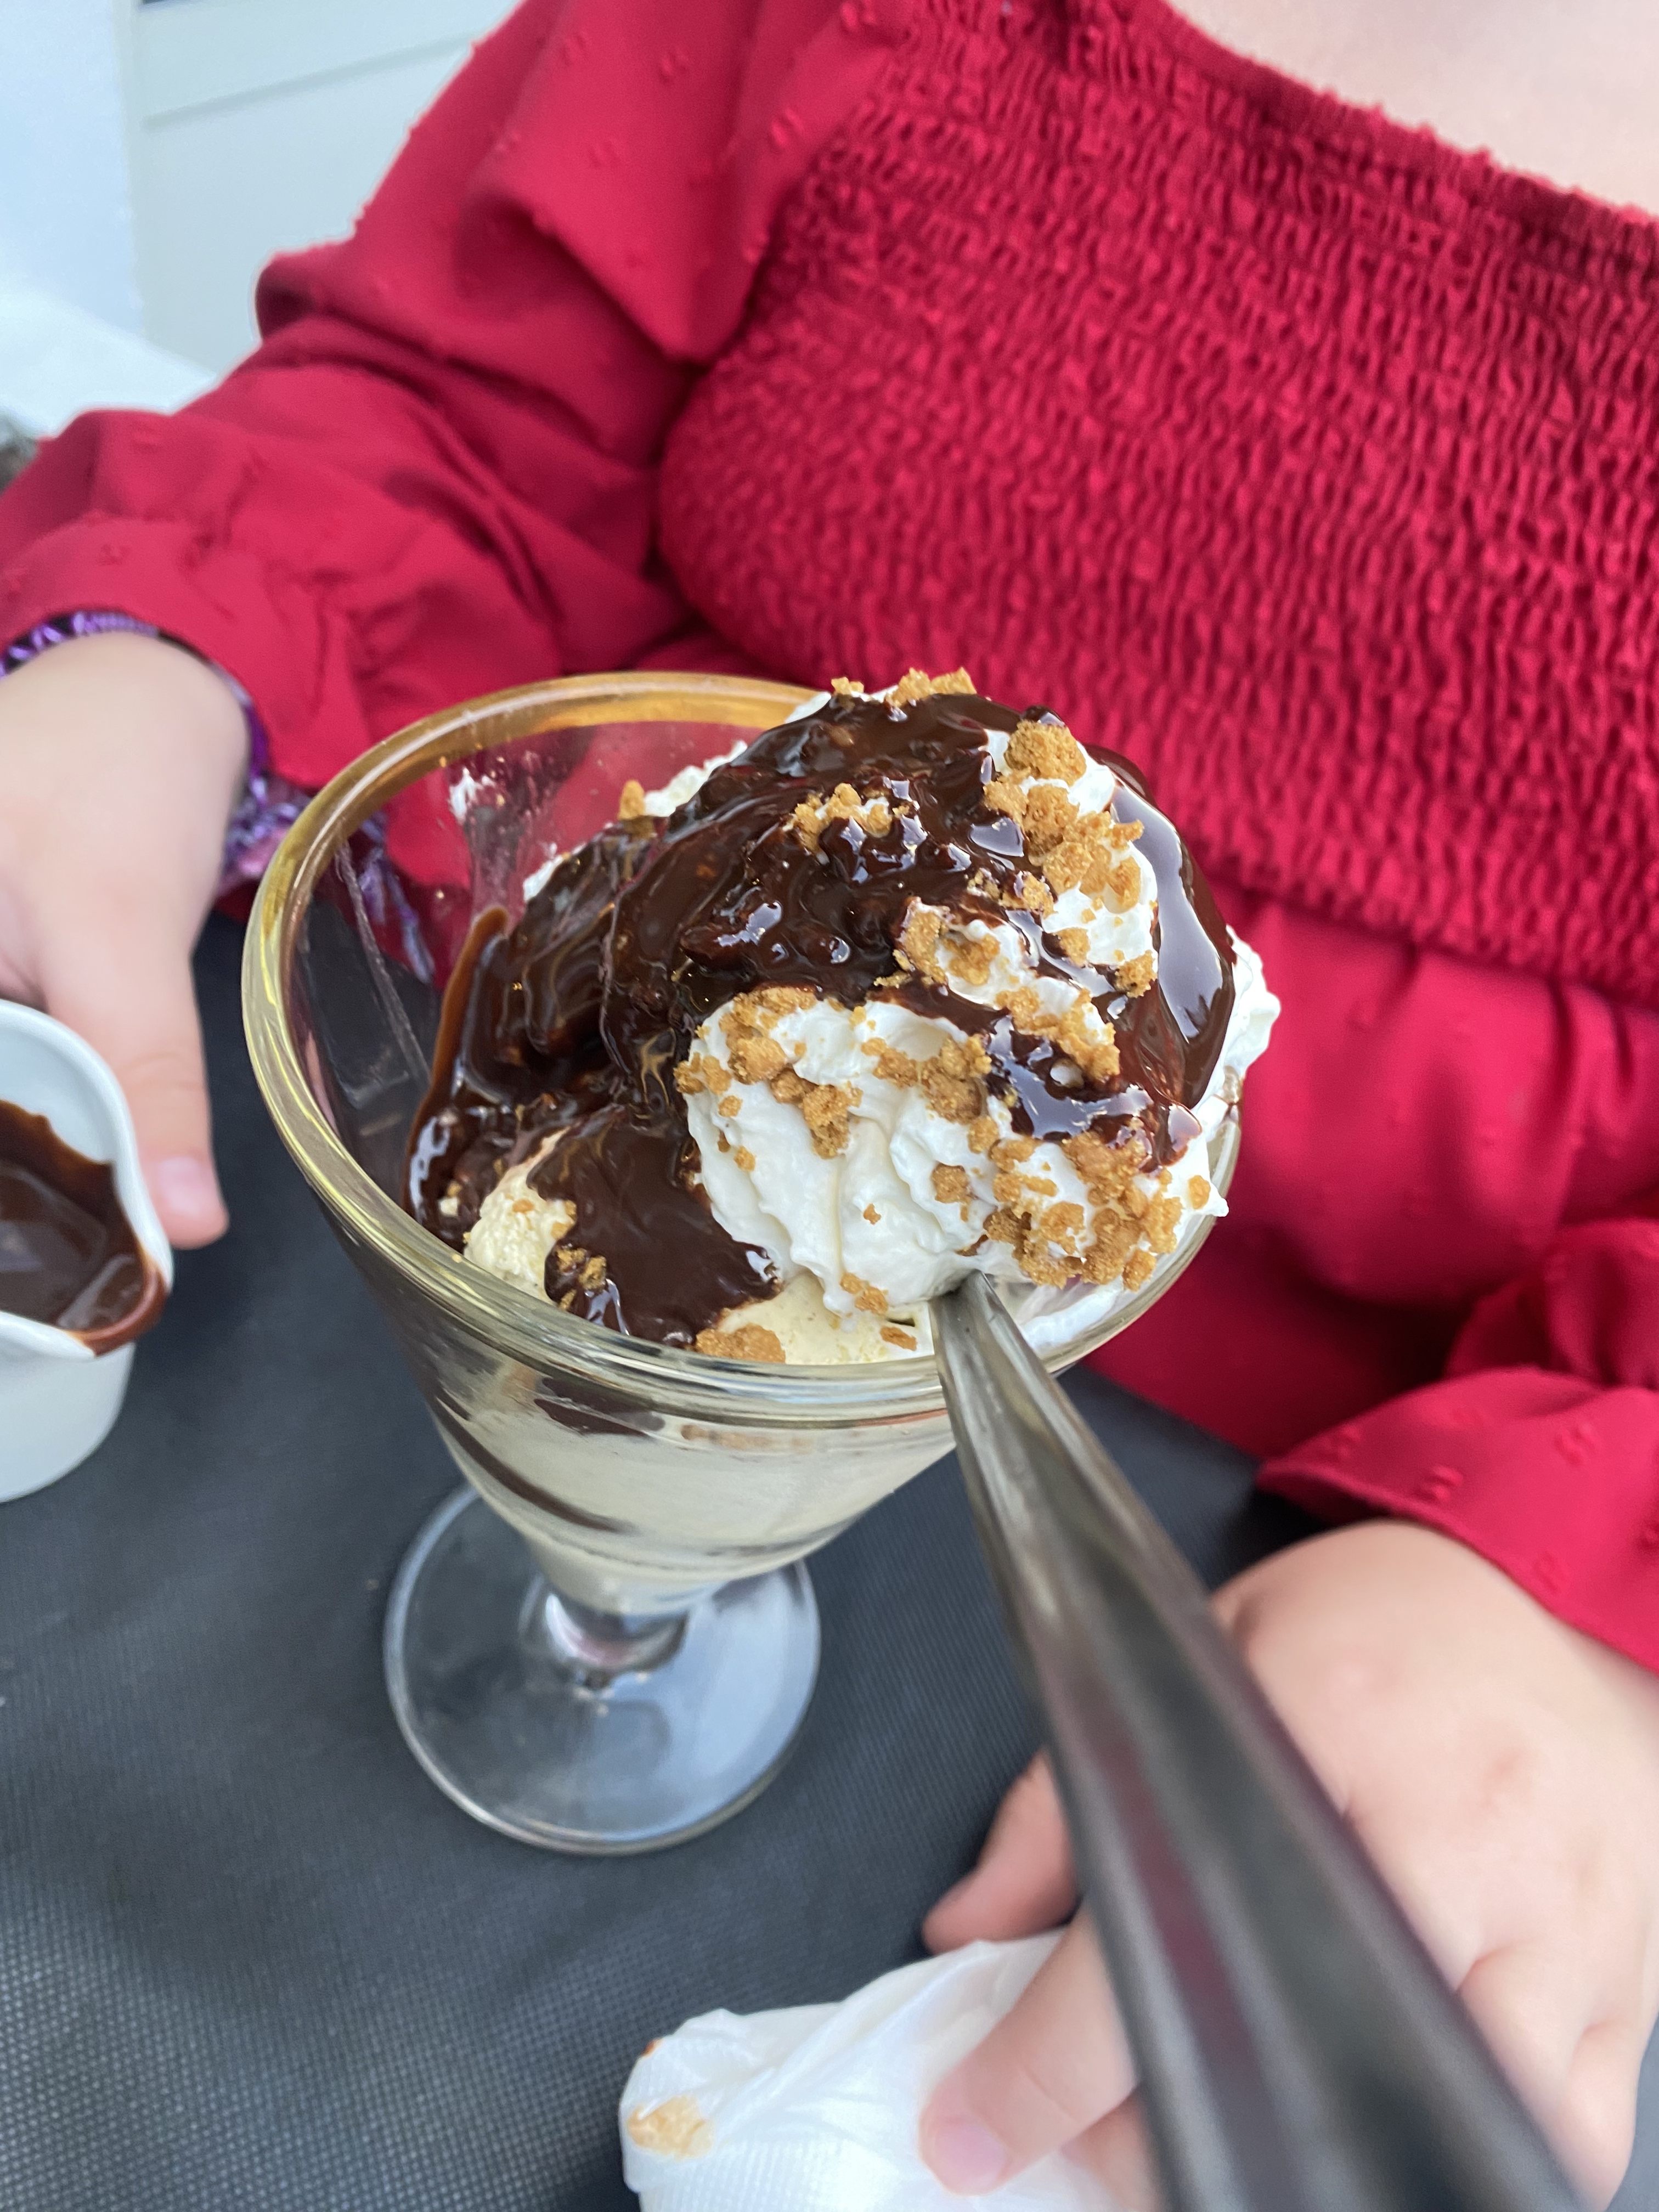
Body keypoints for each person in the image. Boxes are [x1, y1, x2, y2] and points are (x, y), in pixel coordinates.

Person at [3, 0, 1658, 2198]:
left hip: (1382, 1561)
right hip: (458, 1169)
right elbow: (456, 412)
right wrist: (163, 647)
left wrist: (1583, 1588)